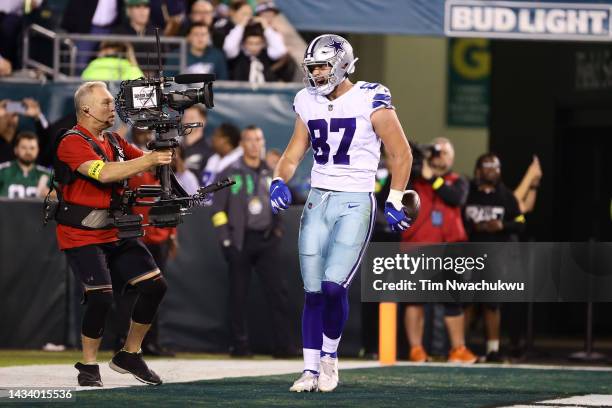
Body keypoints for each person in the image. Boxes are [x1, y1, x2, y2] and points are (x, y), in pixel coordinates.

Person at [270, 34, 413, 392]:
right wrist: (278, 179)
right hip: (319, 198)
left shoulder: (370, 96)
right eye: (313, 67)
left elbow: (401, 153)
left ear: (343, 64)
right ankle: (309, 370)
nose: (317, 73)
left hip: (355, 199)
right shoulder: (306, 100)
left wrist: (394, 199)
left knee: (335, 286)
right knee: (313, 289)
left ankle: (330, 358)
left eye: (323, 66)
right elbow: (293, 153)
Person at [54, 81, 172, 387]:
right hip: (81, 232)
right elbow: (104, 173)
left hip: (115, 229)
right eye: (106, 103)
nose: (112, 107)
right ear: (86, 109)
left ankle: (130, 354)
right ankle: (89, 365)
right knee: (101, 298)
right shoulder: (71, 141)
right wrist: (149, 159)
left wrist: (161, 145)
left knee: (155, 286)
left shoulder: (116, 140)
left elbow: (144, 166)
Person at [211, 125, 292, 357]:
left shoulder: (271, 172)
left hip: (266, 240)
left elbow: (280, 204)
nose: (255, 144)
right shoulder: (229, 173)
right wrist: (226, 241)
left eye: (259, 139)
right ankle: (240, 346)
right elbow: (217, 211)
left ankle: (284, 347)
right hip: (240, 241)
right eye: (250, 140)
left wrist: (277, 229)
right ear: (242, 144)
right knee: (238, 295)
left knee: (278, 293)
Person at [401, 138, 477, 364]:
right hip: (417, 247)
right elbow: (390, 192)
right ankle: (416, 349)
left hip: (450, 249)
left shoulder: (458, 181)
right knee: (414, 300)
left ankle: (458, 349)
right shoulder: (415, 181)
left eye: (444, 153)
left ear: (452, 158)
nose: (439, 156)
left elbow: (456, 198)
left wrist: (432, 179)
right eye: (436, 152)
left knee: (453, 300)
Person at [463, 153, 525, 362]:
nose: (493, 171)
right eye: (488, 167)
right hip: (469, 253)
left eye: (496, 167)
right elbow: (455, 218)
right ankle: (461, 347)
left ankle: (493, 349)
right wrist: (474, 226)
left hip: (496, 255)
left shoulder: (506, 196)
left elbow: (521, 221)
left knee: (492, 303)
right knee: (467, 301)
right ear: (478, 171)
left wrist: (502, 225)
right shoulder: (467, 193)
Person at [0, 132, 51, 198]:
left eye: (32, 148)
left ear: (38, 150)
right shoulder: (2, 171)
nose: (28, 152)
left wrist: (52, 195)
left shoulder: (47, 175)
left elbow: (60, 199)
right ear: (16, 150)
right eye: (24, 148)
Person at [200, 122, 242, 186]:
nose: (212, 138)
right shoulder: (213, 158)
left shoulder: (238, 166)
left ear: (225, 140)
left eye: (216, 135)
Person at [181, 104, 213, 175]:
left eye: (191, 118)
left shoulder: (210, 150)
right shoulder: (176, 147)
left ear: (203, 121)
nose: (187, 121)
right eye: (185, 117)